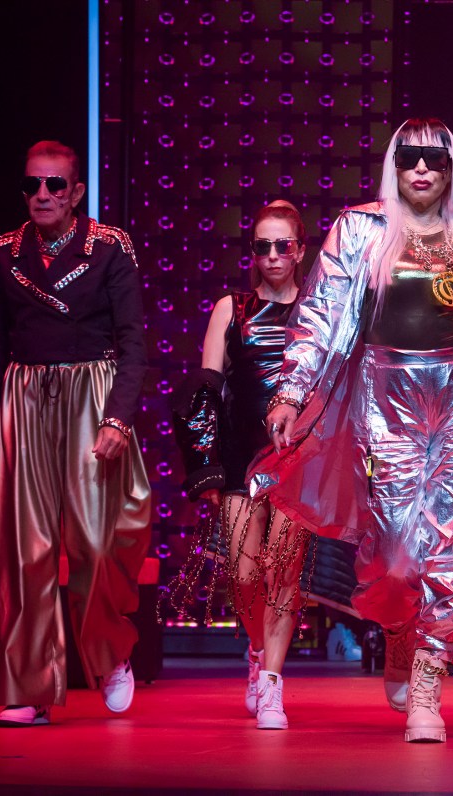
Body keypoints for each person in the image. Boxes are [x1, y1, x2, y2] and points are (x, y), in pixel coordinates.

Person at [250, 118, 453, 743]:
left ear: (451, 169)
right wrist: (290, 393)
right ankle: (398, 629)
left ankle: (427, 678)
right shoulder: (359, 230)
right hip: (386, 396)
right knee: (393, 556)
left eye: (434, 159)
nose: (421, 169)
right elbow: (319, 316)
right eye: (410, 157)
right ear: (394, 164)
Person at [0, 140, 150, 727]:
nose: (42, 194)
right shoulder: (3, 253)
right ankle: (28, 685)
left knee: (97, 542)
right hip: (24, 401)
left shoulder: (110, 246)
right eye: (32, 184)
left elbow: (133, 343)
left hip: (92, 397)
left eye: (55, 184)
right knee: (26, 550)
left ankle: (110, 650)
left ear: (76, 192)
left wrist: (118, 418)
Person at [171, 200, 315, 730]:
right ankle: (257, 650)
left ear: (300, 250)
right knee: (245, 572)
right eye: (262, 245)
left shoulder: (319, 311)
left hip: (299, 456)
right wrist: (204, 467)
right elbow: (205, 391)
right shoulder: (230, 309)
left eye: (283, 245)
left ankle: (272, 682)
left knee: (285, 571)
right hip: (239, 454)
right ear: (252, 252)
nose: (273, 254)